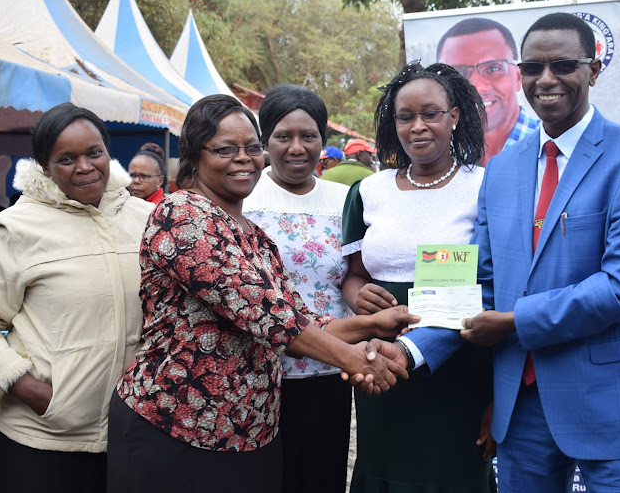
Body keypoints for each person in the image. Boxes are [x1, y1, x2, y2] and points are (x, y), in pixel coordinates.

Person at [398, 13, 620, 492]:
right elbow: (478, 282)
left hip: (616, 404)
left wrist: (512, 323)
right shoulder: (502, 168)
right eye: (531, 68)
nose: (545, 80)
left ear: (594, 69)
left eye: (563, 65)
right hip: (521, 404)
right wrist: (407, 350)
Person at [107, 94, 417, 493]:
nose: (243, 158)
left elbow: (298, 319)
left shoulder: (255, 237)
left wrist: (372, 324)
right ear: (194, 155)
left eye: (251, 147)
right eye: (224, 149)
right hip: (175, 426)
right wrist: (356, 360)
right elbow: (263, 314)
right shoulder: (180, 215)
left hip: (250, 434)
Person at [342, 60, 496, 492]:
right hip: (381, 353)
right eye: (405, 116)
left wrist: (494, 396)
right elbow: (353, 275)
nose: (418, 126)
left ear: (455, 116)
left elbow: (497, 284)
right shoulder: (369, 191)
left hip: (459, 357)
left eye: (431, 113)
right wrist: (358, 297)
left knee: (454, 468)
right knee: (385, 463)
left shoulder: (485, 186)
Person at [0, 102, 154, 493]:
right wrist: (34, 392)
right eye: (66, 158)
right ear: (43, 166)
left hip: (134, 435)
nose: (85, 166)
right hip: (43, 439)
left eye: (94, 152)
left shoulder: (145, 219)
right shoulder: (16, 228)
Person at [243, 85, 353, 493]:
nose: (296, 148)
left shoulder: (345, 200)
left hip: (330, 363)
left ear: (323, 140)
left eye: (308, 136)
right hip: (260, 370)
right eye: (283, 136)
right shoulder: (244, 196)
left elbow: (355, 275)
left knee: (322, 474)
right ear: (265, 141)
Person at [437, 17, 539, 166]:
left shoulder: (551, 147)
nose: (477, 87)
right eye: (458, 73)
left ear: (518, 77)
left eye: (493, 68)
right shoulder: (441, 158)